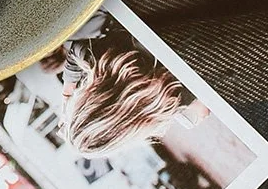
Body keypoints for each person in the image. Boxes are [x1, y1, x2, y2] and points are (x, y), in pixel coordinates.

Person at [56, 12, 212, 156]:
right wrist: (66, 95)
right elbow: (76, 50)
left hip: (205, 27)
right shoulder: (105, 58)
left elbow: (204, 111)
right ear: (87, 102)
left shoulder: (170, 100)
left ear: (123, 134)